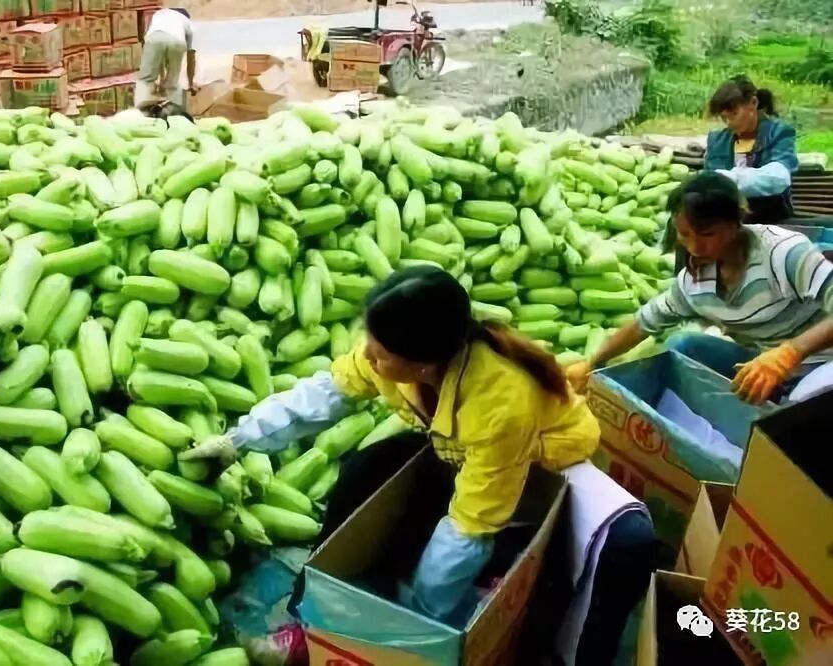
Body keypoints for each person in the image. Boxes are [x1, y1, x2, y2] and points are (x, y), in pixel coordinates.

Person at [182, 265, 656, 665]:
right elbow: (325, 395)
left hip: (540, 467)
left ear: (423, 361)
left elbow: (472, 522)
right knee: (363, 474)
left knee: (461, 551)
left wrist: (412, 626)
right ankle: (313, 615)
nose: (368, 354)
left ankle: (417, 623)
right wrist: (237, 440)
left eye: (380, 351)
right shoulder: (397, 356)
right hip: (461, 451)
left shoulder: (500, 401)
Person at [568, 171, 833, 405]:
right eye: (684, 234)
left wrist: (789, 354)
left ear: (735, 223)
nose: (695, 247)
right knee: (683, 347)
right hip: (760, 364)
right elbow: (643, 323)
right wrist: (592, 362)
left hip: (822, 366)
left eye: (707, 235)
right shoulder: (694, 281)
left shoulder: (783, 253)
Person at [705, 75, 799, 224]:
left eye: (734, 114)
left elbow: (779, 176)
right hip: (727, 220)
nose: (729, 123)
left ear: (753, 103)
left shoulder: (779, 133)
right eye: (724, 118)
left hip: (772, 219)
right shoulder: (717, 141)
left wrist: (733, 179)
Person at [136, 7, 197, 111]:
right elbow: (190, 56)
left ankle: (141, 112)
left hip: (155, 38)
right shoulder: (187, 23)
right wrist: (191, 83)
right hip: (177, 40)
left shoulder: (159, 14)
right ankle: (174, 114)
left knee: (146, 79)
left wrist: (158, 80)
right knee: (173, 83)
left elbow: (155, 51)